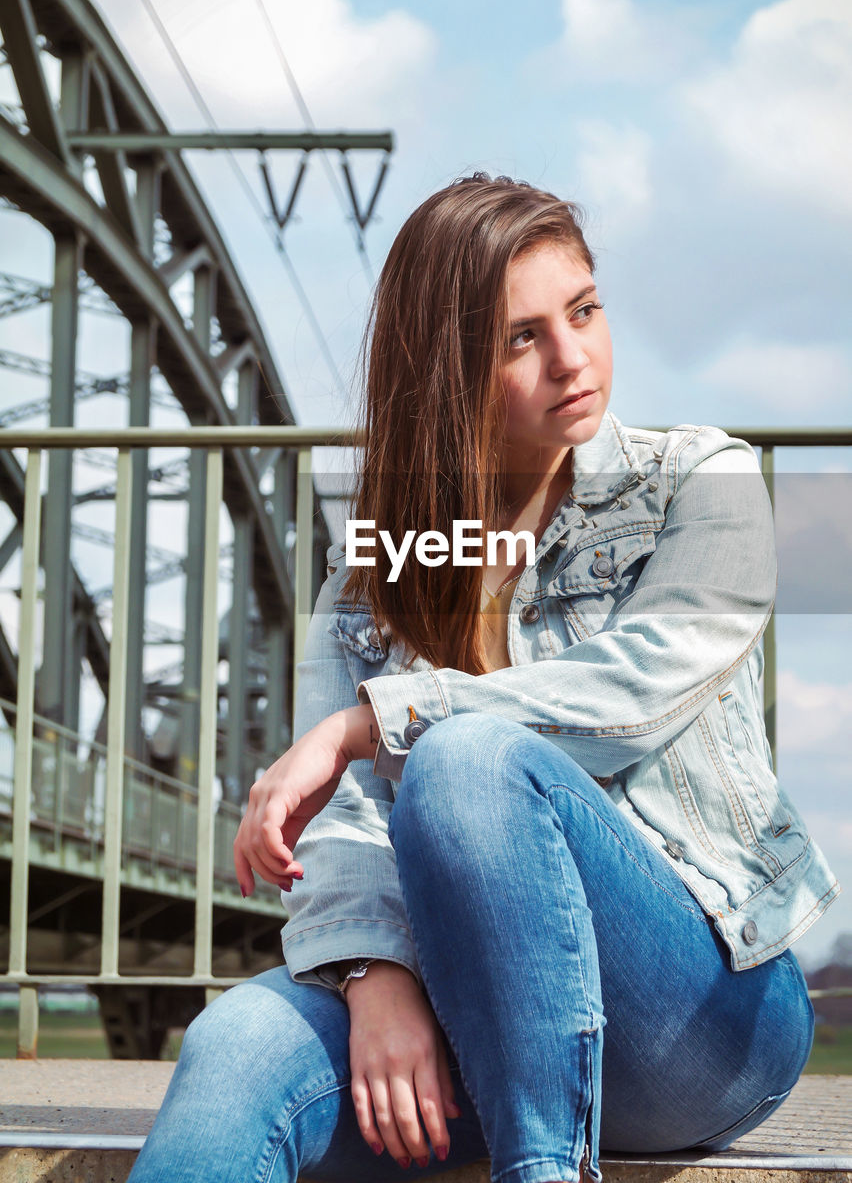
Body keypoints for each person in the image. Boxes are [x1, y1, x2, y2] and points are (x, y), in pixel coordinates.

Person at [129, 173, 839, 1183]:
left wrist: (367, 725)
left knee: (465, 757)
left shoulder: (698, 480)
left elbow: (632, 696)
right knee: (234, 1047)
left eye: (584, 311)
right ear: (449, 367)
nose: (573, 357)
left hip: (705, 1018)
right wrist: (374, 977)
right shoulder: (378, 567)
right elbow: (343, 826)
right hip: (467, 1014)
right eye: (522, 337)